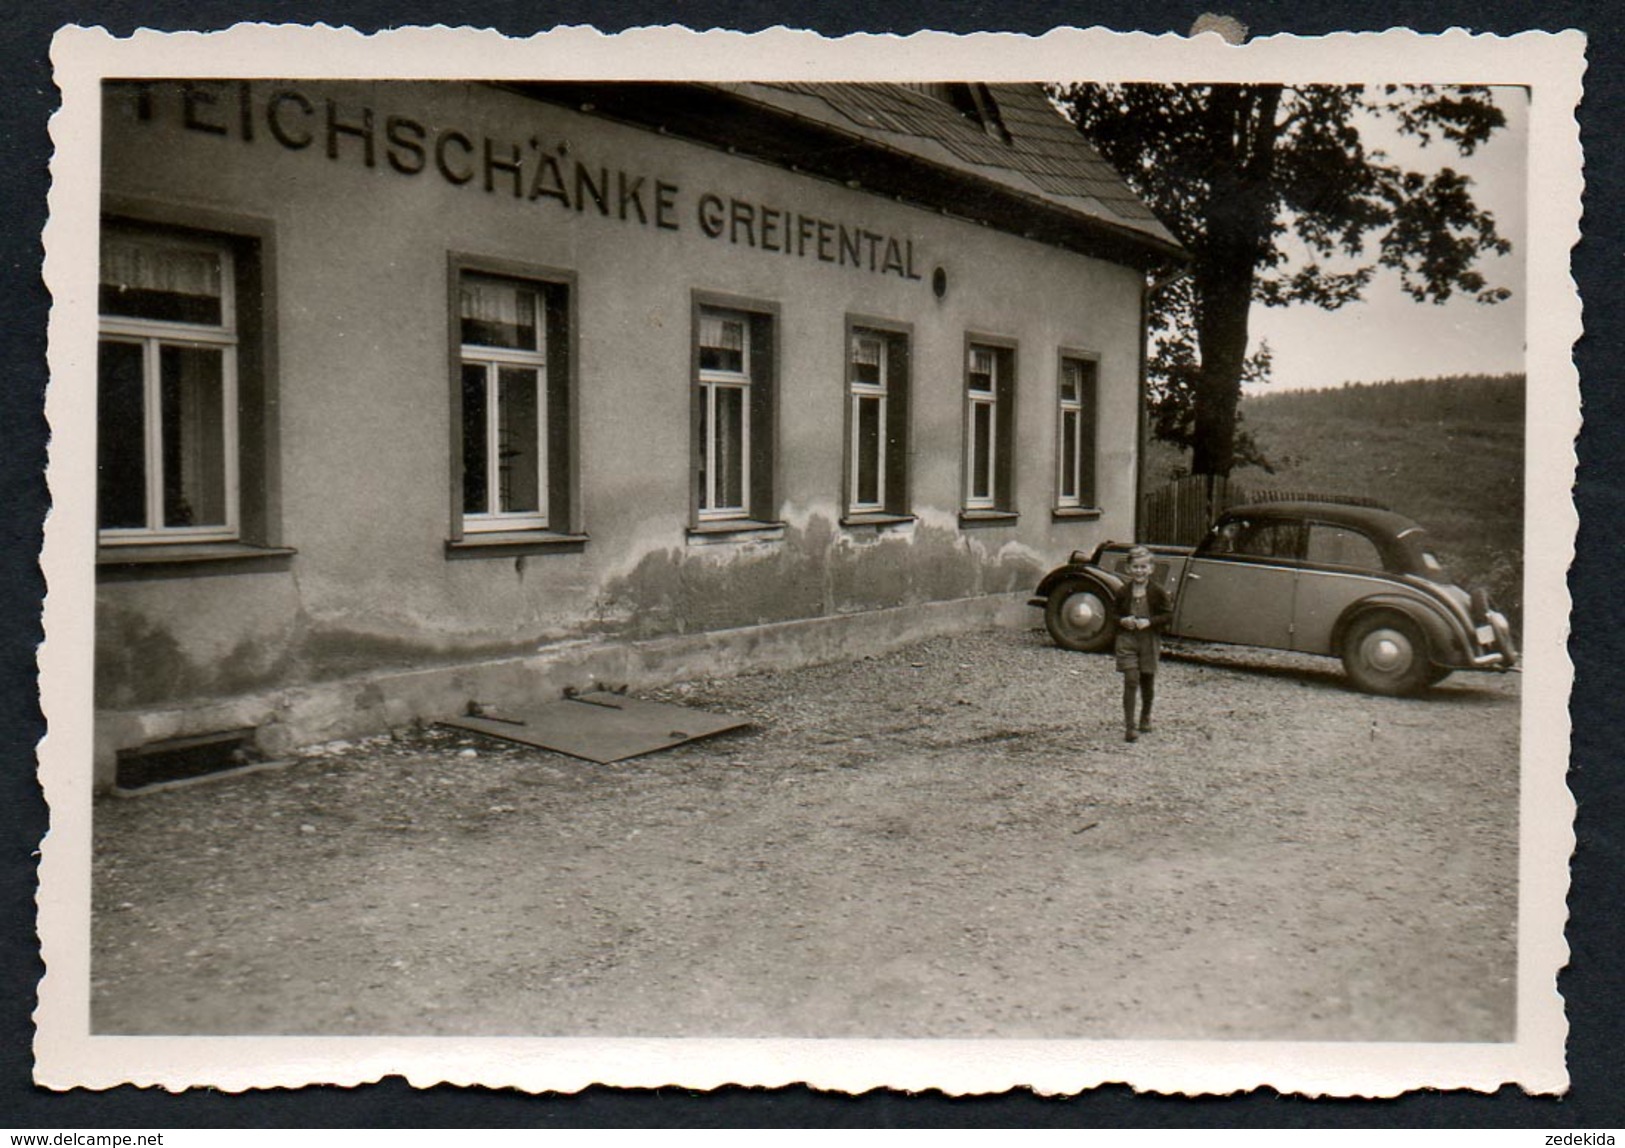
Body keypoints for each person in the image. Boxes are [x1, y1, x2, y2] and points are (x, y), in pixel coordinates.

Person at [1113, 545, 1174, 742]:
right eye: (1135, 567)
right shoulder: (1123, 591)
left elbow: (1168, 615)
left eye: (1143, 567)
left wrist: (1149, 622)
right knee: (1131, 680)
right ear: (1129, 569)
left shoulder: (1157, 591)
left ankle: (1145, 715)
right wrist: (1123, 620)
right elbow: (1112, 614)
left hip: (1149, 640)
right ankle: (1130, 727)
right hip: (1127, 640)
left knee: (1147, 679)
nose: (1139, 571)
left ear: (1151, 569)